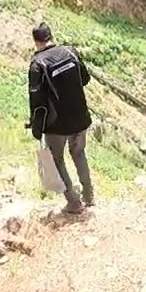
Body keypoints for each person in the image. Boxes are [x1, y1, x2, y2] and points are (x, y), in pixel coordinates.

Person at [27, 23, 93, 213]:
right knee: (79, 153)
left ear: (36, 41)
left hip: (57, 124)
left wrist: (37, 128)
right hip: (80, 116)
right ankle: (89, 195)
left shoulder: (37, 64)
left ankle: (73, 202)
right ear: (51, 36)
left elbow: (37, 102)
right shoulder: (70, 52)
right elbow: (85, 79)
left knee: (57, 159)